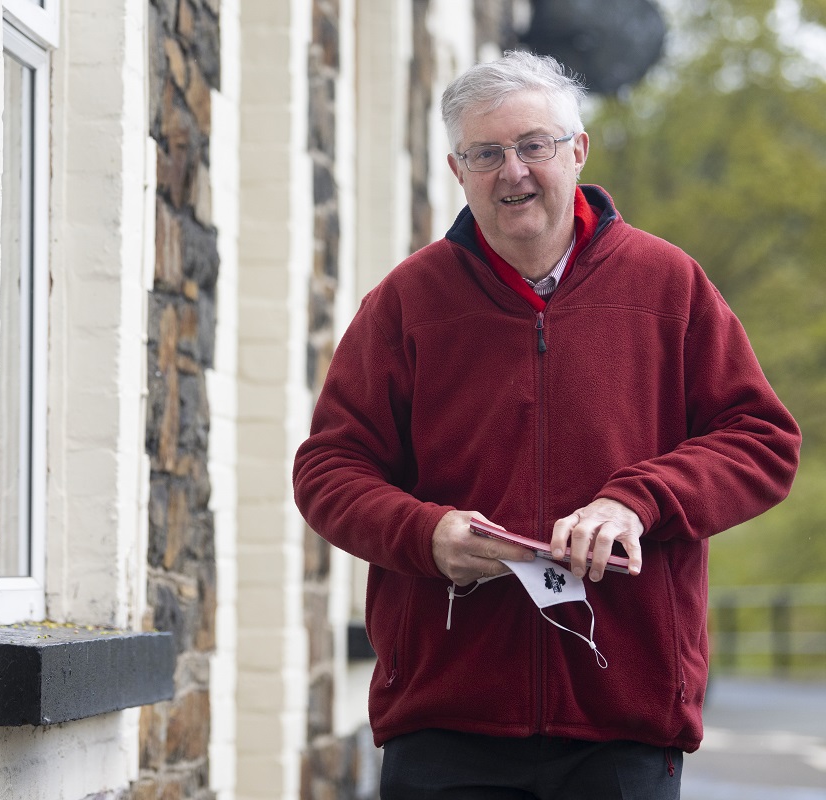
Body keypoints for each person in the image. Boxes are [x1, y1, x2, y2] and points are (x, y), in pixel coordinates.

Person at [292, 50, 800, 799]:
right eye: (487, 153)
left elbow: (762, 441)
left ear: (577, 152)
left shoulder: (669, 285)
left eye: (534, 146)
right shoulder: (405, 304)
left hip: (623, 724)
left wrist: (638, 500)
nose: (514, 172)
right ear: (456, 169)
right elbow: (329, 470)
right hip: (445, 724)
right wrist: (424, 535)